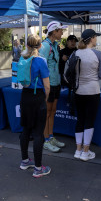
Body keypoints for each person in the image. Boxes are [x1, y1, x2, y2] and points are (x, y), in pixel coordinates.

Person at [18, 34, 51, 178]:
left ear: (27, 45)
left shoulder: (22, 58)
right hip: (37, 97)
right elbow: (47, 86)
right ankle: (38, 168)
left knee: (25, 130)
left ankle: (25, 161)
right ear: (40, 46)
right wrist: (45, 98)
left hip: (25, 96)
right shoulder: (41, 60)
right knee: (38, 133)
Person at [70, 29, 101, 161]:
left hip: (78, 91)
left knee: (80, 119)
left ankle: (78, 150)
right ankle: (85, 152)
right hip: (92, 91)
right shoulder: (98, 54)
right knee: (89, 121)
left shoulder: (75, 53)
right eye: (95, 37)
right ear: (91, 39)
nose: (96, 39)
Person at [39, 21, 67, 153]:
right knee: (47, 112)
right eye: (60, 31)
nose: (62, 33)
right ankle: (45, 140)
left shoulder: (55, 45)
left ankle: (50, 136)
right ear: (54, 31)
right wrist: (45, 86)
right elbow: (40, 66)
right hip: (48, 85)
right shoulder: (45, 46)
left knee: (53, 111)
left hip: (56, 83)